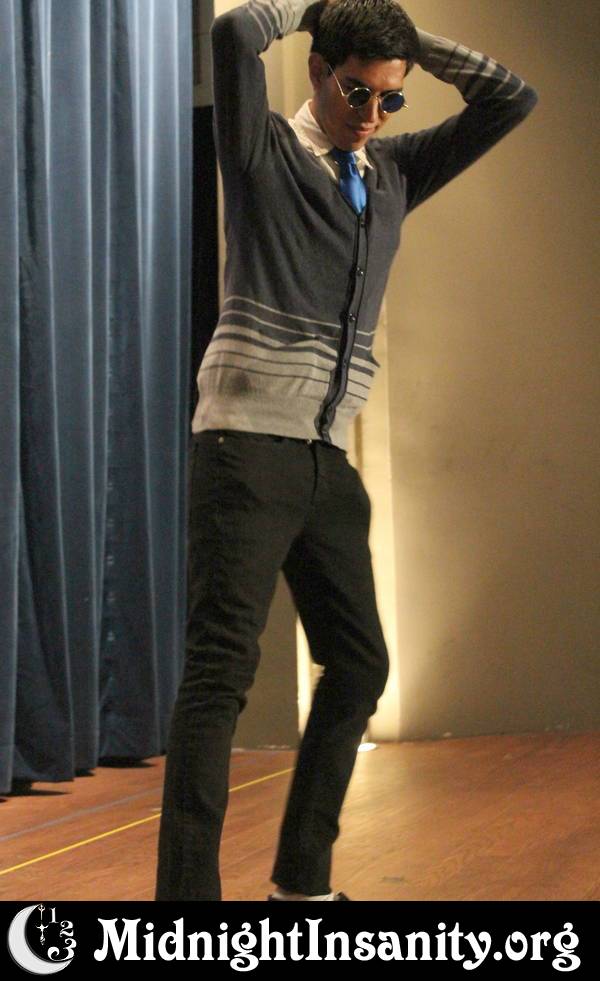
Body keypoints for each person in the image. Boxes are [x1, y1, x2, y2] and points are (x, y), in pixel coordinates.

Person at [156, 0, 537, 902]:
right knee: (220, 674)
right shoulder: (263, 152)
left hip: (326, 460)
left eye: (390, 100)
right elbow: (232, 36)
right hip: (245, 449)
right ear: (319, 69)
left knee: (360, 662)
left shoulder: (393, 173)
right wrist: (315, 11)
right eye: (357, 90)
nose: (372, 114)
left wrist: (402, 41)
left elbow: (510, 98)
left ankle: (301, 881)